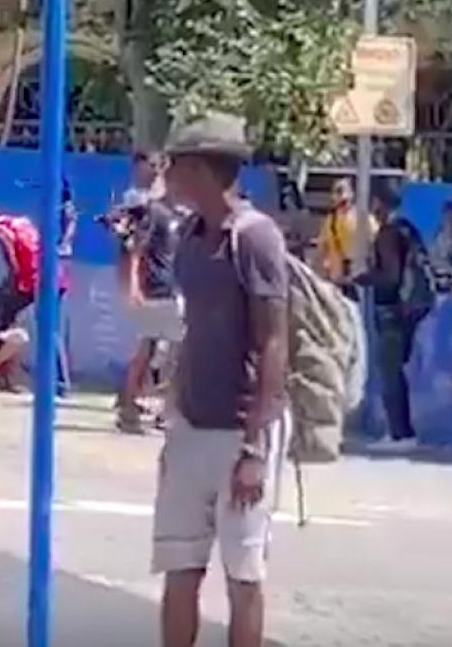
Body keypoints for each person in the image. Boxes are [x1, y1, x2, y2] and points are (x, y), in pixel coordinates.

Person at [153, 112, 290, 647]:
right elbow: (190, 332)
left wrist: (255, 445)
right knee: (179, 569)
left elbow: (273, 339)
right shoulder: (188, 234)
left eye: (176, 164)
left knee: (243, 574)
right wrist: (174, 420)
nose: (167, 174)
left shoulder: (255, 239)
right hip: (192, 425)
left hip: (241, 430)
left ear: (202, 169)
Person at [109, 151, 185, 434]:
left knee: (151, 350)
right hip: (159, 290)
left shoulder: (177, 215)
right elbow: (135, 250)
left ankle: (130, 406)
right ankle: (163, 410)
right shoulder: (154, 212)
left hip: (169, 289)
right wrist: (133, 286)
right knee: (175, 352)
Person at [0, 198, 69, 393]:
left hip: (34, 280)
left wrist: (10, 287)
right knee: (48, 329)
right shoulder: (21, 222)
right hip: (54, 275)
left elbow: (13, 261)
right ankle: (52, 382)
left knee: (3, 322)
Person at [364, 182, 428, 447]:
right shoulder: (408, 229)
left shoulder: (388, 234)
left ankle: (399, 433)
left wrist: (365, 278)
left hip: (391, 309)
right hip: (409, 308)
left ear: (379, 203)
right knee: (395, 369)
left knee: (389, 371)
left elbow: (390, 276)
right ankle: (401, 431)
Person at [316, 177, 368, 289]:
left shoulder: (364, 220)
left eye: (341, 191)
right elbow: (322, 248)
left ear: (352, 194)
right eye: (335, 192)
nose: (336, 197)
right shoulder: (330, 220)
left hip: (357, 282)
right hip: (336, 281)